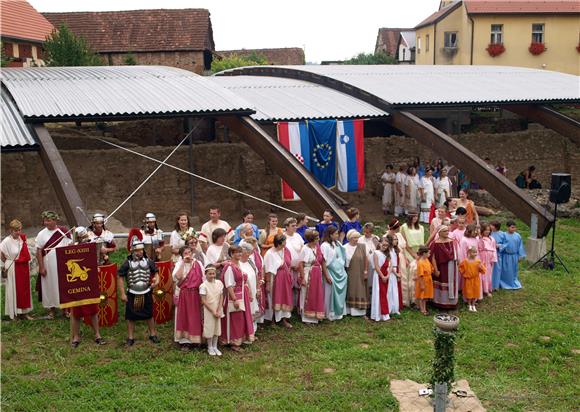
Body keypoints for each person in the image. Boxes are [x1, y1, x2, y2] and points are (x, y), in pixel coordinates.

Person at [118, 239, 161, 346]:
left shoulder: (149, 261)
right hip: (132, 292)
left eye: (141, 250)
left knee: (149, 314)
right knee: (130, 316)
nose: (140, 252)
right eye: (137, 250)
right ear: (132, 250)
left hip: (146, 291)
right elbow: (120, 277)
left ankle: (153, 334)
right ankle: (130, 337)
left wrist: (156, 281)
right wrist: (122, 294)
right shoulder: (127, 263)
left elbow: (156, 273)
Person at [68, 227, 105, 348]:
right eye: (82, 237)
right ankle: (76, 336)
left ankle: (97, 334)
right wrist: (71, 247)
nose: (85, 239)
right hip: (76, 284)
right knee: (76, 312)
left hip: (89, 282)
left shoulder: (91, 246)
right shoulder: (70, 248)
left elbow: (96, 260)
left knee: (93, 310)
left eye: (86, 237)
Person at [35, 210, 72, 319]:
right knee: (49, 286)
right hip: (48, 265)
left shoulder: (64, 231)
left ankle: (66, 309)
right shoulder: (41, 234)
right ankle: (51, 310)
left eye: (48, 220)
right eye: (44, 220)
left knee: (63, 286)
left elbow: (71, 246)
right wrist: (41, 267)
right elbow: (38, 251)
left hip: (62, 265)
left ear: (55, 220)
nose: (46, 223)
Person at [220, 245, 255, 350]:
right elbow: (229, 285)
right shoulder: (230, 267)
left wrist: (249, 294)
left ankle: (241, 338)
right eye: (236, 252)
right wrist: (234, 299)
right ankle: (233, 341)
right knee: (235, 318)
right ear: (231, 254)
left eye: (240, 252)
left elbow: (244, 280)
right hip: (234, 295)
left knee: (242, 317)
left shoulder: (238, 264)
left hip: (242, 293)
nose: (239, 254)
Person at [1, 219, 33, 320]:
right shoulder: (6, 241)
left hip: (22, 267)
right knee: (14, 290)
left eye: (19, 230)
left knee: (24, 290)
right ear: (11, 230)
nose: (18, 232)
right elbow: (1, 254)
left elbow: (26, 254)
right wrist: (5, 265)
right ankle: (14, 314)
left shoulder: (21, 239)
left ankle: (24, 312)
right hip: (12, 267)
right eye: (16, 230)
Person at [173, 246, 203, 351]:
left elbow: (203, 278)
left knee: (194, 317)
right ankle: (185, 341)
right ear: (181, 255)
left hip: (195, 293)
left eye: (189, 252)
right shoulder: (179, 264)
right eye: (185, 253)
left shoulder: (198, 264)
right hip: (184, 294)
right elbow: (177, 277)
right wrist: (182, 263)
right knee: (184, 317)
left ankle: (195, 340)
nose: (188, 255)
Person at [263, 234, 293, 328]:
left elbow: (289, 264)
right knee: (273, 297)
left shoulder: (286, 250)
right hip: (274, 278)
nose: (286, 243)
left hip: (285, 278)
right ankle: (272, 320)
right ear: (279, 243)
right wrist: (267, 283)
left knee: (285, 296)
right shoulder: (270, 253)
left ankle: (283, 319)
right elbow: (267, 269)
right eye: (284, 241)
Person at [297, 230, 326, 323]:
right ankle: (306, 317)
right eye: (316, 238)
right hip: (308, 272)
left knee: (316, 293)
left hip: (317, 274)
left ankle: (315, 315)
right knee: (306, 294)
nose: (318, 240)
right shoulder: (305, 249)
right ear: (311, 239)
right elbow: (300, 264)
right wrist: (302, 278)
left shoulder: (317, 247)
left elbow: (322, 260)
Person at [320, 226, 348, 321]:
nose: (337, 235)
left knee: (340, 293)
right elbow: (323, 261)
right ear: (330, 234)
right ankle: (329, 313)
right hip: (330, 272)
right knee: (329, 293)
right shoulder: (325, 245)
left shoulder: (337, 243)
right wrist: (326, 275)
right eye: (336, 233)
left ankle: (338, 313)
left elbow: (342, 256)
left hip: (339, 272)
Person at [429, 225, 459, 309]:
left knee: (451, 283)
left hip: (451, 266)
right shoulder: (435, 243)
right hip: (441, 267)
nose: (447, 232)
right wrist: (436, 269)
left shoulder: (453, 241)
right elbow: (432, 257)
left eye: (447, 231)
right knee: (441, 283)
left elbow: (457, 255)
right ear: (439, 233)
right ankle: (440, 302)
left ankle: (451, 303)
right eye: (445, 231)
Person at [200, 265, 224, 356]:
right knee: (209, 327)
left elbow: (221, 296)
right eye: (209, 274)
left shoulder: (219, 283)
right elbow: (203, 300)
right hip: (209, 310)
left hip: (218, 308)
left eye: (213, 273)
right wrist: (212, 311)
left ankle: (215, 346)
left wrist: (219, 308)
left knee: (217, 327)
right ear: (205, 274)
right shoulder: (203, 286)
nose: (212, 275)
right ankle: (209, 346)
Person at [386, 219, 411, 307]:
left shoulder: (399, 235)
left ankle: (404, 300)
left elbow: (403, 248)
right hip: (393, 257)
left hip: (401, 257)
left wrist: (406, 258)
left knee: (403, 277)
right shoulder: (387, 236)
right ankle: (396, 299)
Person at [344, 230, 369, 317]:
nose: (357, 239)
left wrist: (366, 271)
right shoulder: (344, 248)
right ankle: (350, 311)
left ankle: (361, 312)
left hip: (360, 272)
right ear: (349, 238)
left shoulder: (362, 246)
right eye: (354, 237)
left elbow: (366, 259)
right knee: (350, 290)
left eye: (357, 237)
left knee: (360, 290)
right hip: (349, 272)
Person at [239, 242, 260, 333]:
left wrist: (258, 288)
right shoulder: (238, 263)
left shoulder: (251, 262)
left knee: (253, 308)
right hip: (243, 292)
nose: (250, 254)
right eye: (248, 252)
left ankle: (253, 330)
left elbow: (256, 275)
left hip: (254, 290)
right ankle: (245, 331)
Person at [499, 221, 526, 290]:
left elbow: (520, 246)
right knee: (505, 270)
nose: (514, 229)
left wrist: (520, 255)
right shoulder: (503, 235)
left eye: (514, 227)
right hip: (506, 256)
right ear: (507, 227)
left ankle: (513, 282)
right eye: (512, 227)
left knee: (514, 270)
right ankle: (504, 283)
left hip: (514, 256)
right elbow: (500, 245)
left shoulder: (517, 235)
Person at [283, 217, 304, 304]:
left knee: (299, 286)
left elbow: (303, 249)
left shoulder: (298, 236)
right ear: (287, 227)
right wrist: (290, 265)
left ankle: (297, 305)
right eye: (293, 226)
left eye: (296, 225)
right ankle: (289, 305)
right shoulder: (283, 237)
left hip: (299, 266)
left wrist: (300, 264)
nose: (295, 227)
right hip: (288, 267)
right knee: (289, 286)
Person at [460, 246, 486, 312]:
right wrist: (464, 273)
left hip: (476, 279)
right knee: (469, 292)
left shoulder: (478, 261)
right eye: (473, 252)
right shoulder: (465, 261)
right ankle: (469, 304)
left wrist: (480, 267)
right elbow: (461, 268)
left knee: (475, 291)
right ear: (469, 253)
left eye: (476, 252)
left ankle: (473, 304)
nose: (475, 254)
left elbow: (483, 270)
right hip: (468, 280)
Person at [382, 234, 403, 315]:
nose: (396, 241)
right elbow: (390, 263)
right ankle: (389, 308)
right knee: (390, 290)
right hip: (390, 271)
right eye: (394, 239)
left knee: (395, 290)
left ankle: (395, 308)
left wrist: (399, 272)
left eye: (397, 239)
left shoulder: (395, 250)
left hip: (396, 270)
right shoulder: (388, 251)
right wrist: (396, 273)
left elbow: (398, 262)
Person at [371, 238, 390, 322]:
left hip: (386, 275)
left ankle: (385, 313)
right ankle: (378, 314)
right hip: (378, 276)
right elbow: (376, 266)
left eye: (386, 245)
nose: (385, 247)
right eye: (383, 244)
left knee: (385, 294)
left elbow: (391, 266)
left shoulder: (387, 254)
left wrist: (387, 275)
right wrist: (382, 276)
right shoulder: (376, 253)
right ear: (379, 244)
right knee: (379, 293)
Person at [478, 223, 497, 298]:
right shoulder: (480, 239)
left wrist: (494, 258)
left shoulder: (492, 239)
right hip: (483, 258)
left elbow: (494, 249)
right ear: (482, 230)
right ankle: (484, 289)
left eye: (489, 230)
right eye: (486, 230)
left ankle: (488, 288)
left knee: (489, 274)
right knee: (483, 274)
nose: (487, 231)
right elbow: (478, 249)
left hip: (490, 258)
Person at [414, 246, 433, 315]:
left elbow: (431, 268)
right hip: (423, 281)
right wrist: (422, 285)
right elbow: (420, 274)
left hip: (428, 280)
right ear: (424, 253)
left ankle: (424, 308)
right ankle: (422, 309)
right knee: (422, 296)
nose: (429, 254)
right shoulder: (420, 262)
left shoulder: (426, 260)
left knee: (425, 297)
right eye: (428, 253)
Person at [489, 221, 505, 291]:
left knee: (497, 270)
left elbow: (506, 243)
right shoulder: (489, 233)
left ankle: (496, 285)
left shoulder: (502, 234)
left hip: (498, 254)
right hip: (490, 253)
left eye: (491, 225)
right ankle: (490, 285)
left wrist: (500, 246)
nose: (490, 226)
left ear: (495, 226)